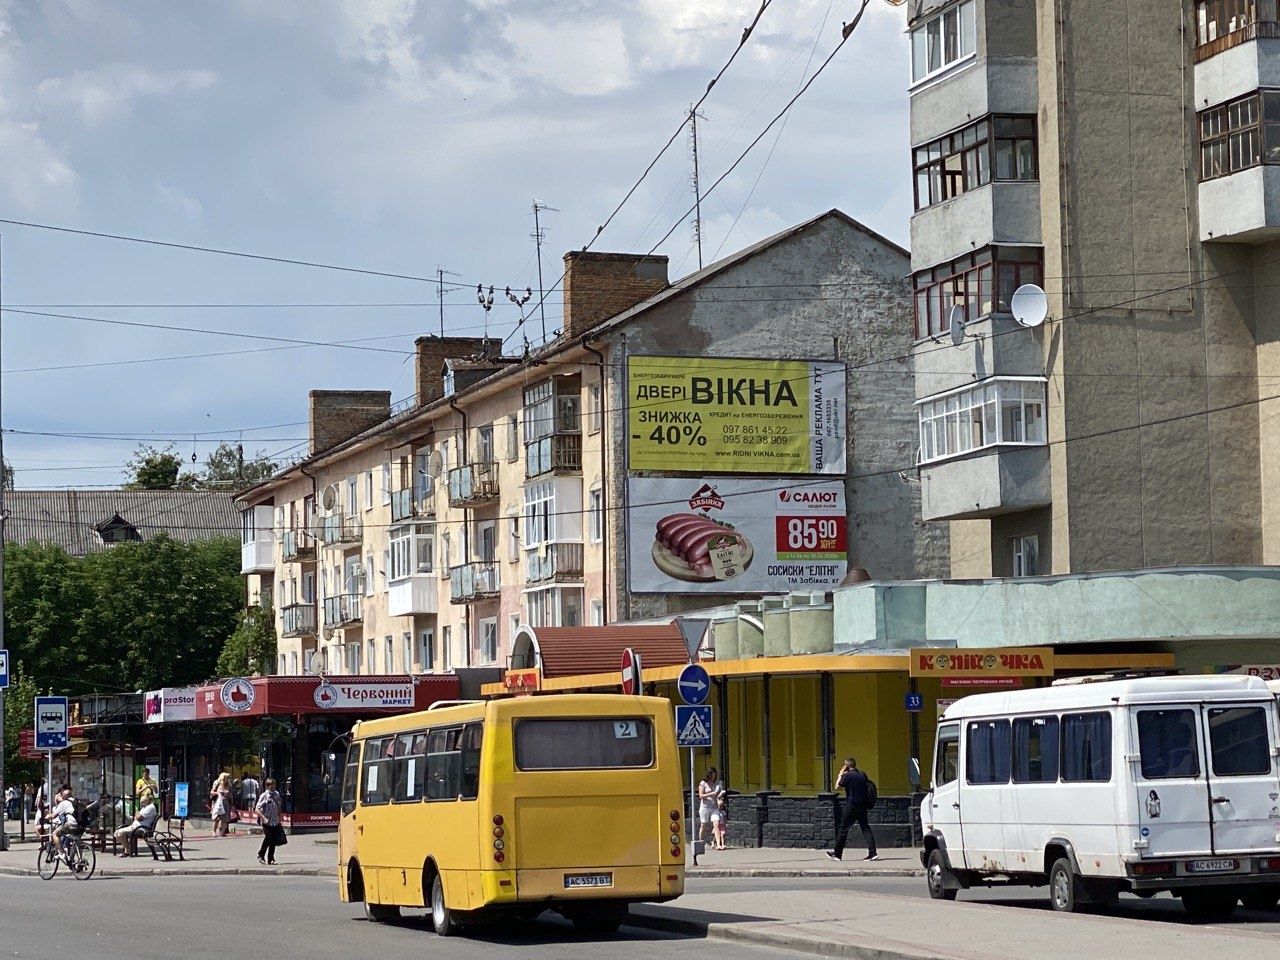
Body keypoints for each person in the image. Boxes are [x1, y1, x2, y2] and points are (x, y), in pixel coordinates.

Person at [827, 758, 878, 861]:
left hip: (851, 806)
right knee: (865, 828)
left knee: (843, 829)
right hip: (862, 806)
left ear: (846, 766)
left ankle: (837, 854)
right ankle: (873, 852)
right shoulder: (862, 775)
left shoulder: (847, 776)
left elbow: (837, 786)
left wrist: (840, 774)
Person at [254, 778, 284, 865]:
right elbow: (257, 809)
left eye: (274, 784)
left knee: (273, 840)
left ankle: (271, 859)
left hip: (275, 821)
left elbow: (278, 806)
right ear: (268, 786)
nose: (274, 786)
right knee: (269, 838)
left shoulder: (277, 794)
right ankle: (261, 854)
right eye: (272, 784)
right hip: (267, 821)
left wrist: (279, 817)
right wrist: (263, 817)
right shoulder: (264, 796)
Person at [697, 768, 724, 849]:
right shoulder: (703, 783)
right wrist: (712, 793)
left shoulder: (716, 784)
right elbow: (701, 796)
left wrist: (719, 795)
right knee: (703, 825)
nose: (713, 777)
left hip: (714, 807)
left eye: (714, 775)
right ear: (709, 774)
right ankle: (700, 843)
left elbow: (717, 795)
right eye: (712, 775)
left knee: (716, 824)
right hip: (705, 807)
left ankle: (718, 844)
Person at [50, 785, 78, 852]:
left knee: (55, 834)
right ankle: (79, 858)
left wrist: (46, 817)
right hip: (80, 825)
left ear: (63, 796)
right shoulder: (77, 801)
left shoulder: (64, 803)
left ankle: (61, 853)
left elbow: (53, 815)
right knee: (76, 840)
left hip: (71, 824)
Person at [209, 772, 233, 837]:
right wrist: (218, 793)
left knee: (224, 819)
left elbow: (231, 795)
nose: (227, 779)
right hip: (217, 802)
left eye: (228, 778)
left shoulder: (229, 785)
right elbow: (211, 791)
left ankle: (222, 832)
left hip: (225, 802)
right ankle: (214, 832)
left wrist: (227, 794)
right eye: (226, 778)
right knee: (216, 818)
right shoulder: (217, 782)